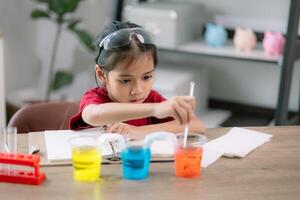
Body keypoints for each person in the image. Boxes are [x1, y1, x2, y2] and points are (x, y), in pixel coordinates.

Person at [69, 21, 205, 140]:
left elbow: (196, 125)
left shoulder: (151, 98)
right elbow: (94, 115)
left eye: (146, 77)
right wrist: (155, 109)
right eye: (125, 81)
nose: (138, 90)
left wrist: (138, 131)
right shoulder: (95, 97)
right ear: (101, 74)